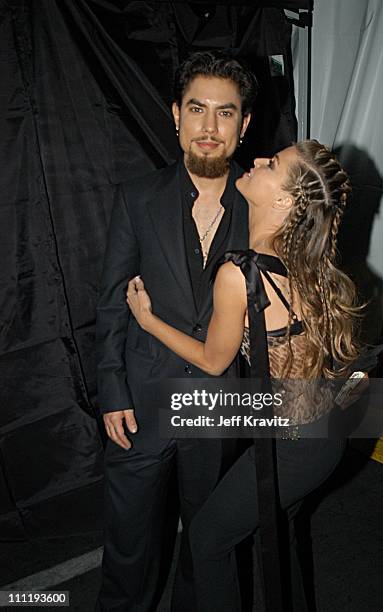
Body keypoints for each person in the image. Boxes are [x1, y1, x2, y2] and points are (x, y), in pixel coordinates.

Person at [126, 140, 363, 611]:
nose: (256, 161)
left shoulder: (240, 273)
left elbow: (214, 361)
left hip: (294, 443)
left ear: (283, 200)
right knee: (274, 534)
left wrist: (149, 320)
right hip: (323, 431)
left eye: (272, 164)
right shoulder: (311, 260)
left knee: (208, 538)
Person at [95, 51, 258, 612]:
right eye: (197, 110)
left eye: (225, 113)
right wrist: (112, 390)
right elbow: (114, 303)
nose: (209, 129)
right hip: (141, 399)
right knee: (128, 544)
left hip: (219, 404)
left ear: (244, 124)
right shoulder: (137, 198)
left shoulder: (264, 205)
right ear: (175, 116)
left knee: (210, 544)